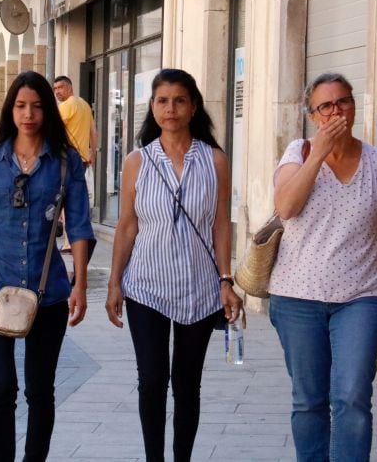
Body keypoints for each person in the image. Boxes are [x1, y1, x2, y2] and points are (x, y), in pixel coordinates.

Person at [269, 72, 377, 461]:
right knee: (309, 400)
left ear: (354, 106)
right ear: (313, 115)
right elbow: (286, 207)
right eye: (326, 105)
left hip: (361, 298)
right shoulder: (296, 155)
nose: (337, 111)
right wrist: (317, 154)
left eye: (344, 102)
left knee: (351, 395)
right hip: (296, 299)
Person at [105, 68, 242, 462]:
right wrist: (115, 282)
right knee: (151, 380)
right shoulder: (137, 161)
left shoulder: (214, 160)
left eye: (179, 100)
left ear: (193, 106)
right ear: (152, 107)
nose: (171, 109)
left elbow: (220, 223)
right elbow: (127, 226)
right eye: (162, 101)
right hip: (146, 285)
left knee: (187, 384)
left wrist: (226, 279)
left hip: (200, 288)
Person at [0, 70, 94, 462]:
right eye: (21, 106)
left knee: (40, 390)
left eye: (38, 106)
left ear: (49, 110)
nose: (29, 114)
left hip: (48, 293)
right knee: (1, 388)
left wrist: (80, 285)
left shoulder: (67, 163)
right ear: (11, 110)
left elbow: (82, 227)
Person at [53, 75, 98, 253]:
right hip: (82, 159)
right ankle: (76, 238)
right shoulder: (85, 105)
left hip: (66, 158)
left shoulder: (67, 105)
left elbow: (57, 129)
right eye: (55, 89)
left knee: (65, 197)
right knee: (76, 198)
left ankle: (68, 240)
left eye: (61, 88)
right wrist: (92, 153)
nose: (57, 92)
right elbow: (93, 132)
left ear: (70, 88)